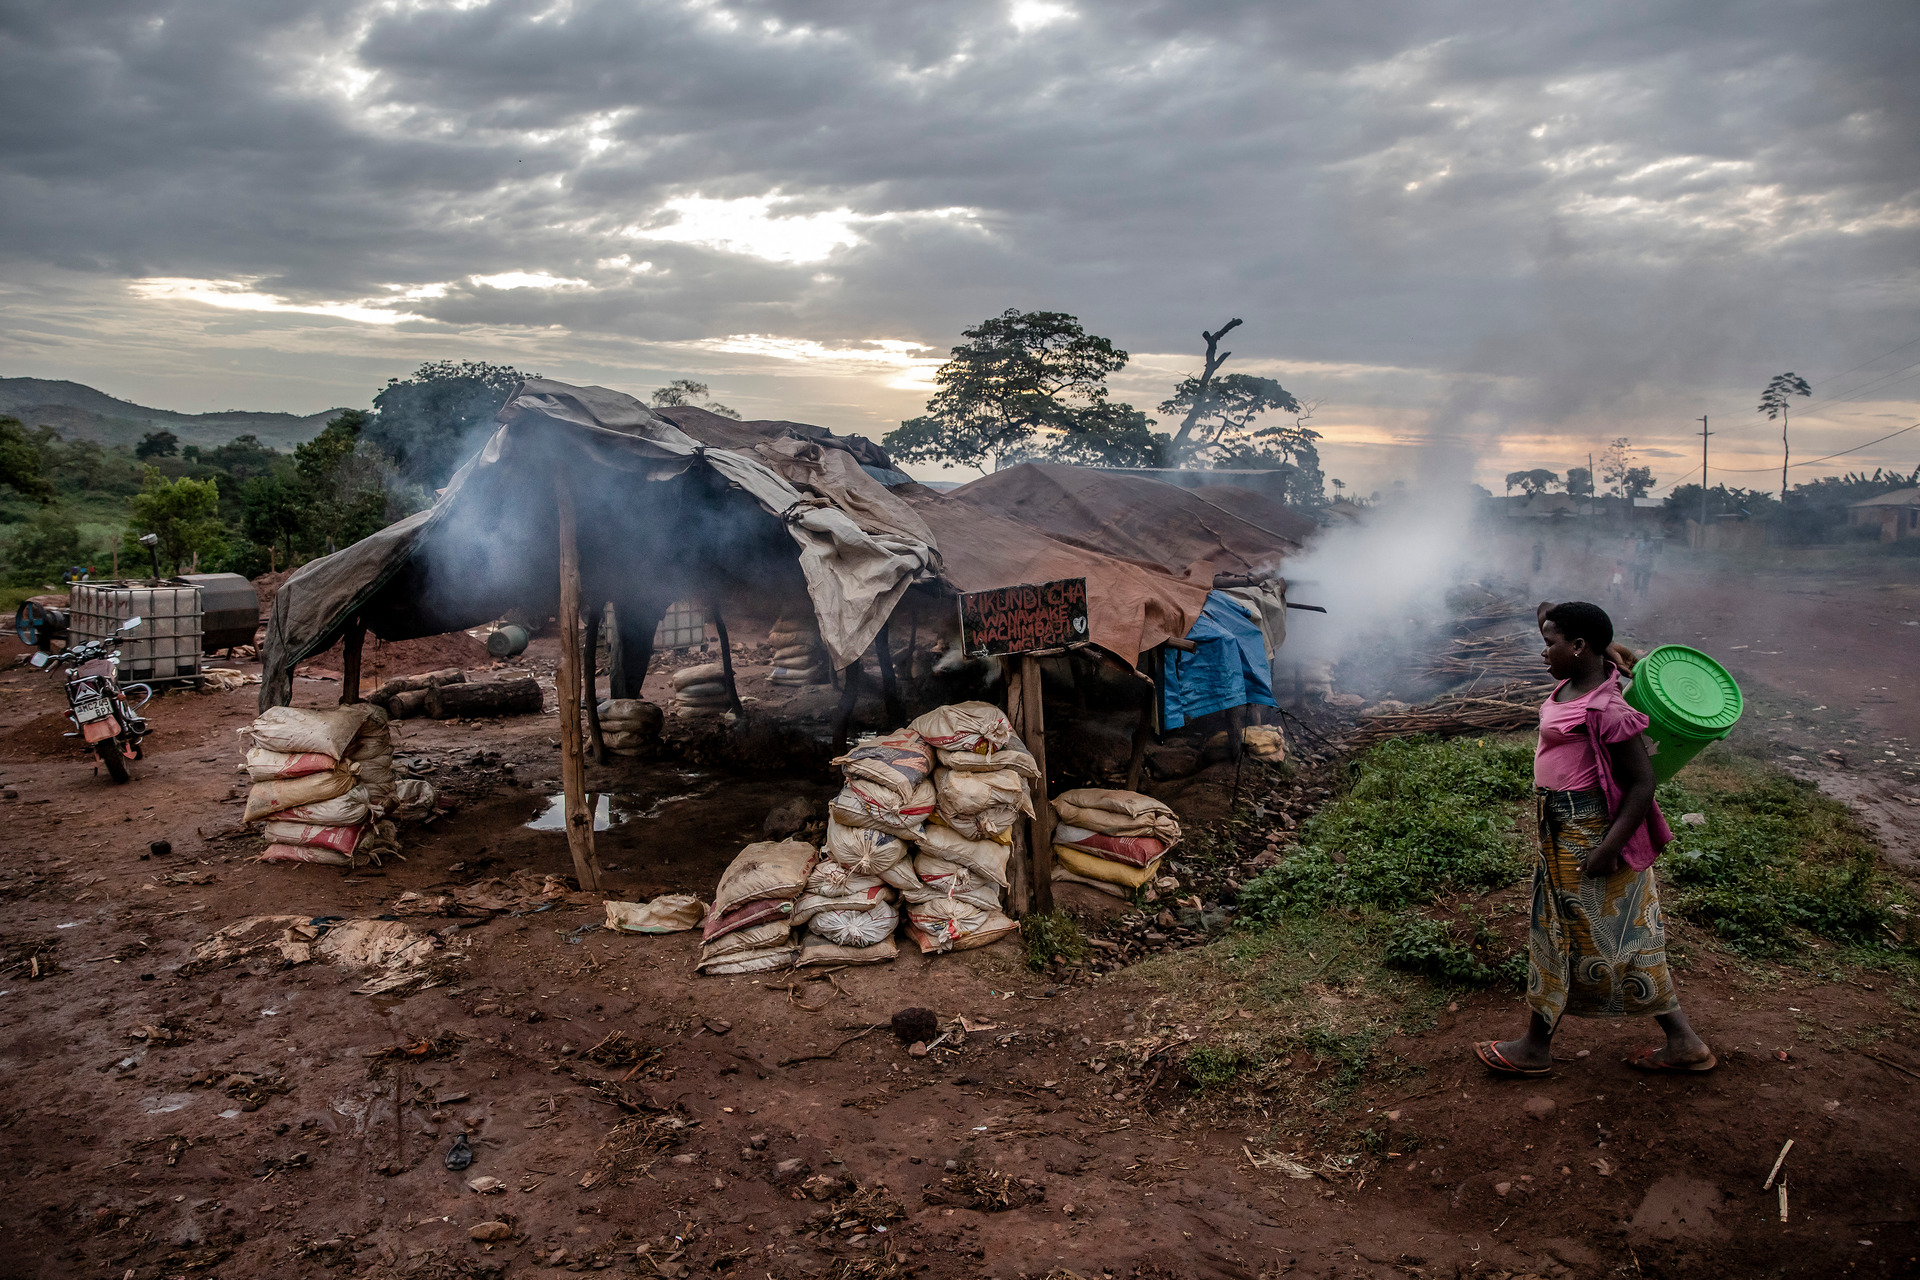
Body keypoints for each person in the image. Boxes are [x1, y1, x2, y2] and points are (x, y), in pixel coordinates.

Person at [1472, 600, 1714, 1076]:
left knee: (1574, 935)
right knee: (1608, 936)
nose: (1544, 653)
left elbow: (1643, 784)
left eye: (1551, 645)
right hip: (1560, 830)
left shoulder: (1607, 708)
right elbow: (1550, 610)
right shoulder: (1575, 681)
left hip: (1589, 837)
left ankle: (1535, 1049)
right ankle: (1684, 1042)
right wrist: (1611, 648)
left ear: (1578, 646)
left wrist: (1607, 849)